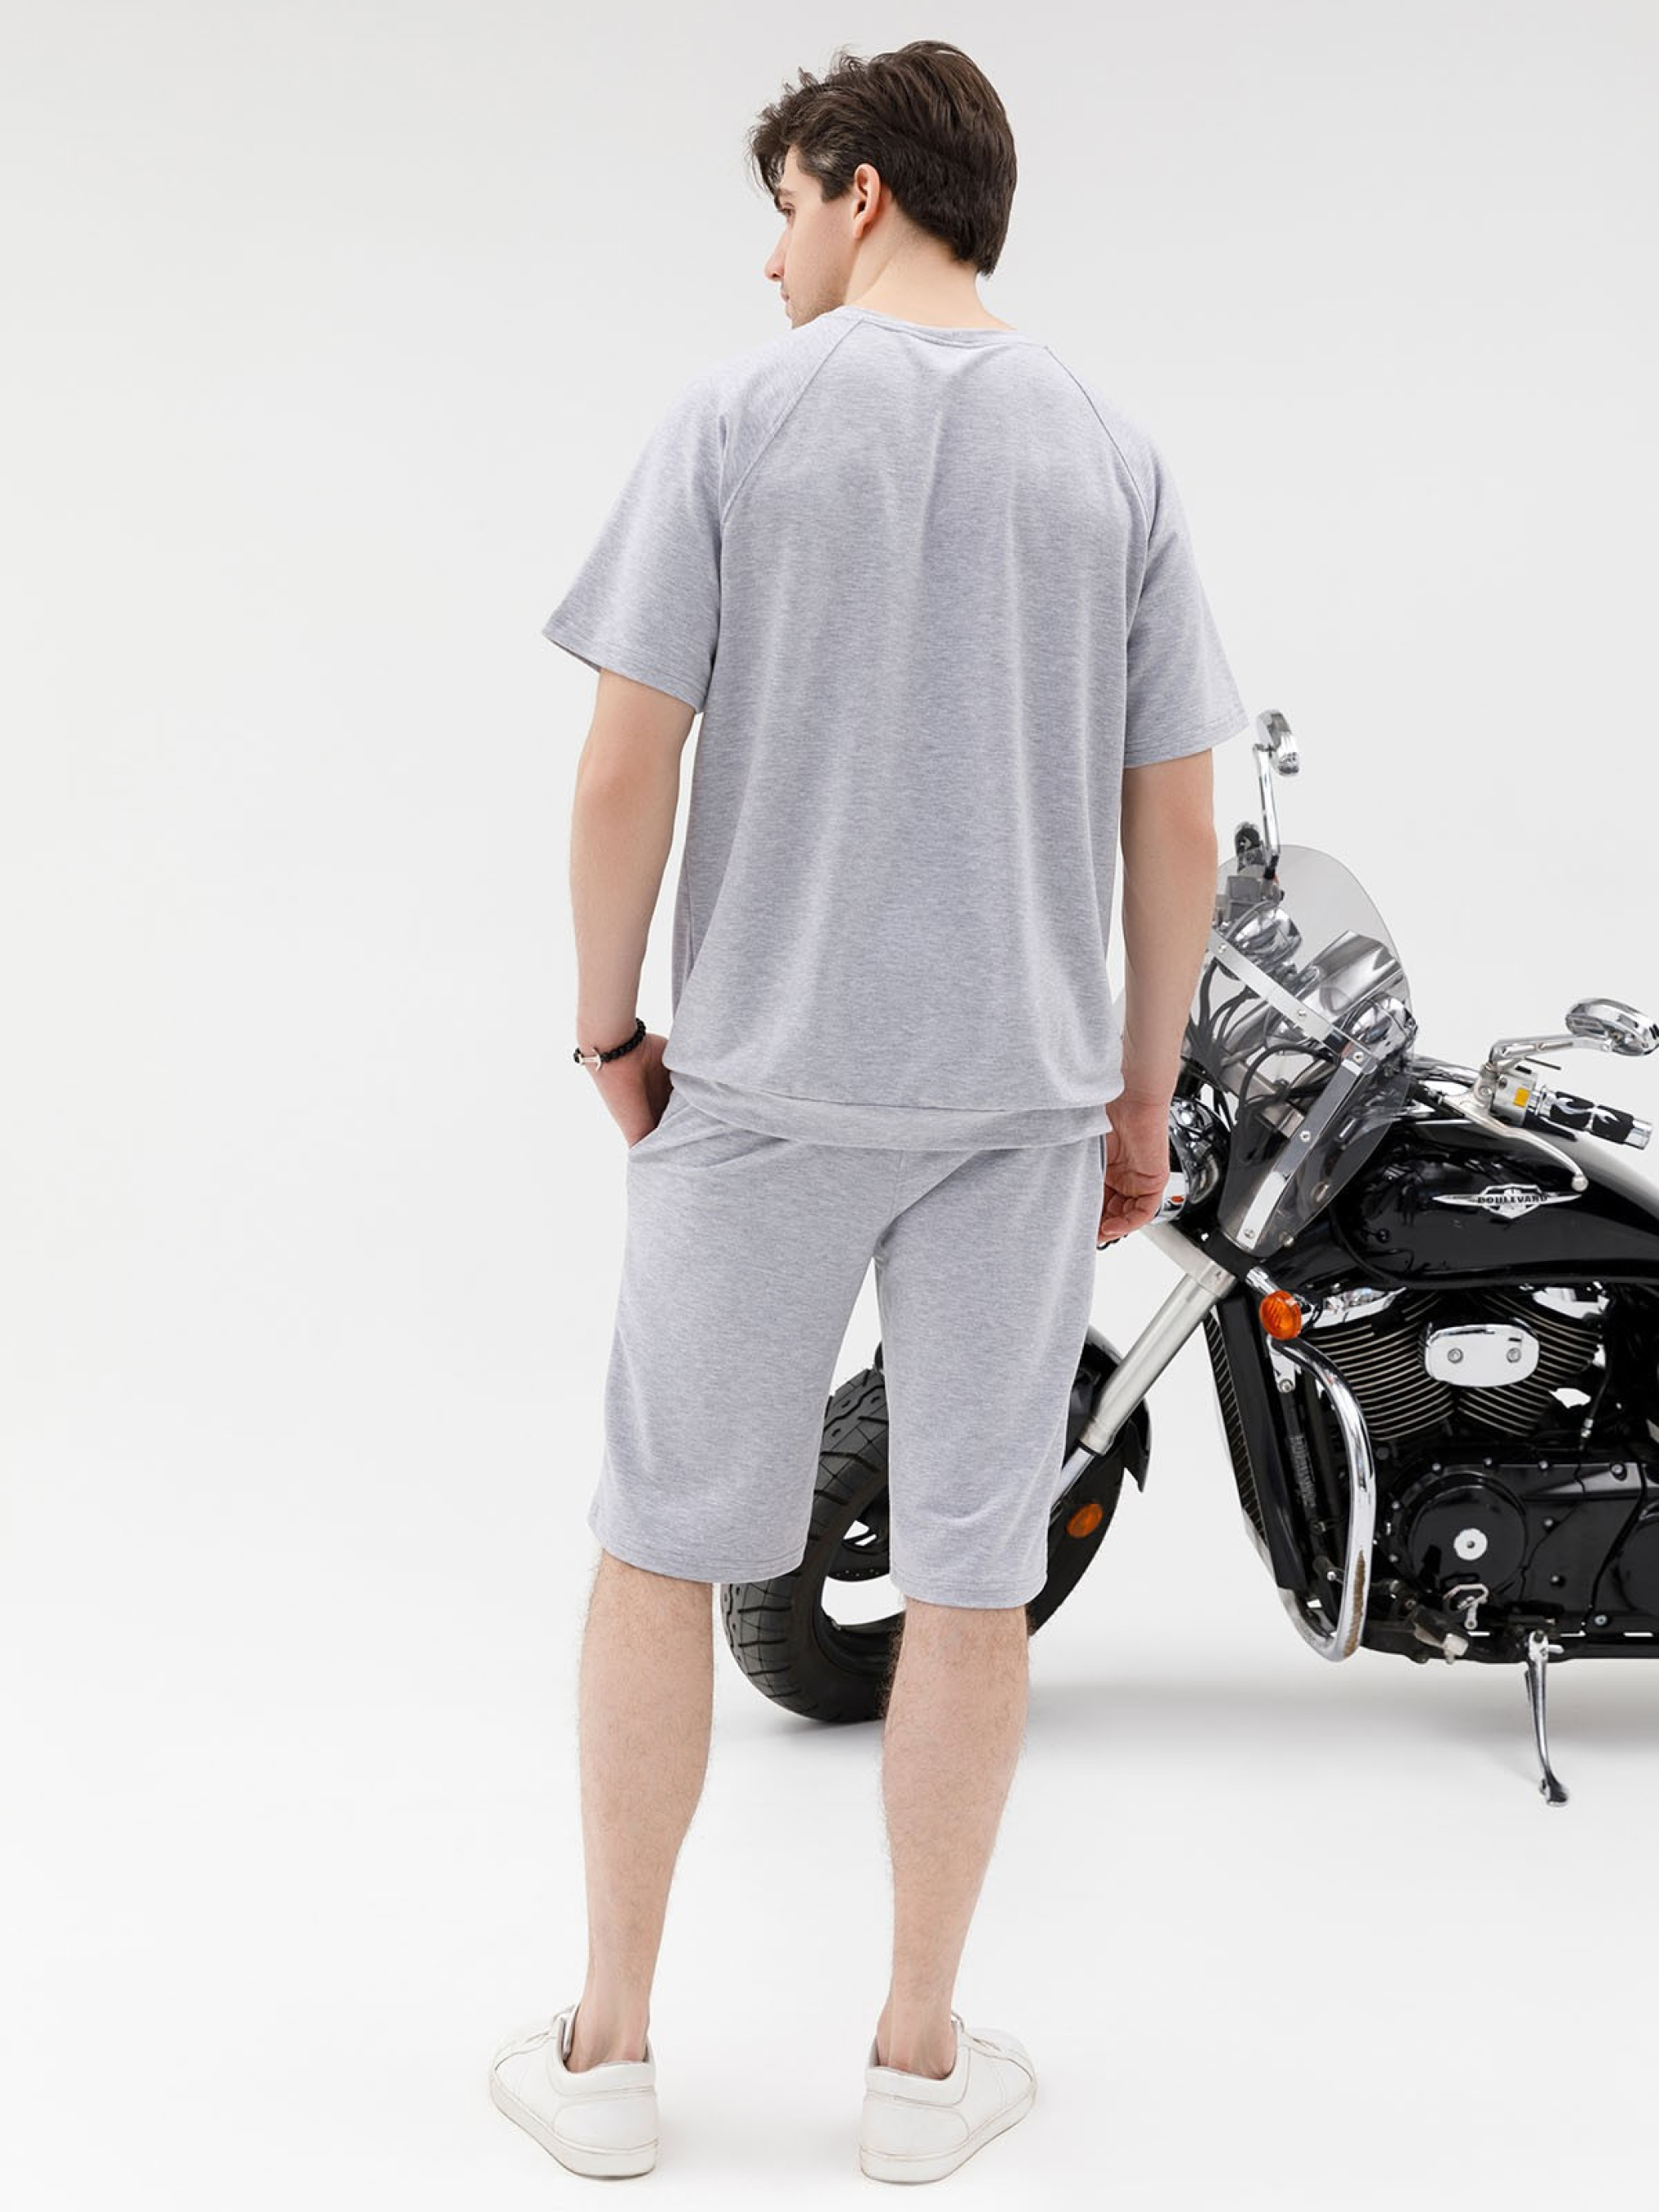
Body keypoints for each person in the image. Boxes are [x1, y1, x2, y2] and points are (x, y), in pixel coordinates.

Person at [488, 36, 1246, 2186]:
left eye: (783, 212)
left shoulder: (736, 423)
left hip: (754, 1084)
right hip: (1018, 1104)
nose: (770, 261)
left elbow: (620, 769)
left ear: (860, 187)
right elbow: (1176, 827)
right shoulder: (1111, 454)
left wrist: (607, 1034)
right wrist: (1140, 1093)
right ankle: (918, 2069)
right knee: (970, 1575)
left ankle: (609, 2056)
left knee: (660, 1546)